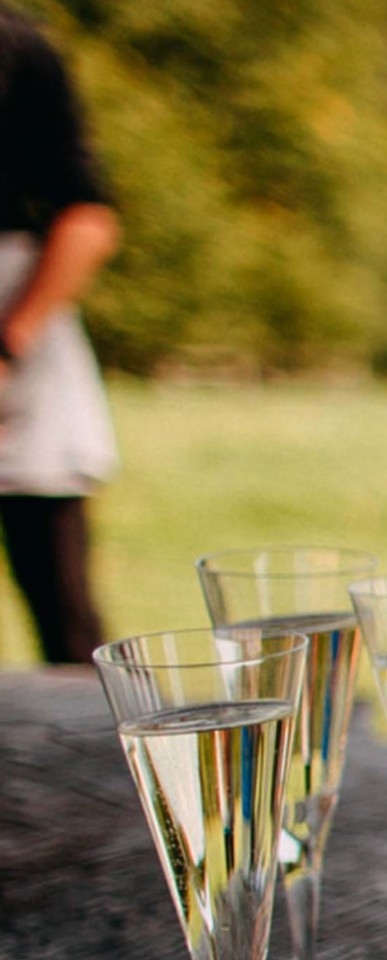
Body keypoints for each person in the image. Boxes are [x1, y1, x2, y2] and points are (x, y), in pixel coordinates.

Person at [0, 6, 119, 664]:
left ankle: (92, 758)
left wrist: (9, 342)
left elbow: (87, 217)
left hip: (19, 331)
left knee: (65, 614)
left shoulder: (17, 45)